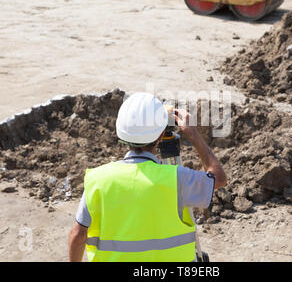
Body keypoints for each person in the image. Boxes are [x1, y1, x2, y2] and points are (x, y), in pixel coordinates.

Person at [68, 92, 227, 262]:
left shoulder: (98, 180)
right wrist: (192, 133)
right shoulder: (177, 179)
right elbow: (219, 177)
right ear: (160, 136)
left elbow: (77, 235)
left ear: (120, 134)